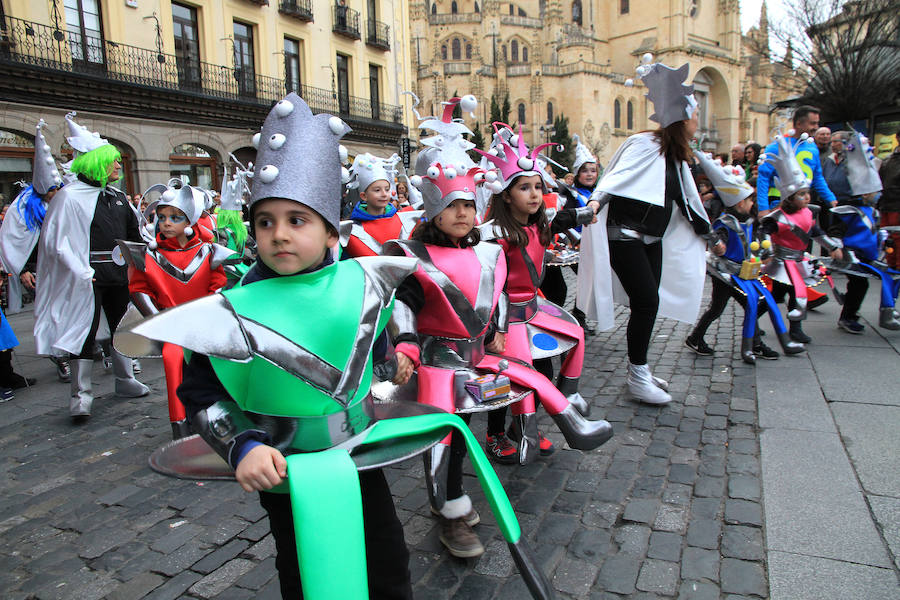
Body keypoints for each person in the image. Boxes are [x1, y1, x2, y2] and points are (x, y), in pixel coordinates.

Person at [126, 94, 419, 599]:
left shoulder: (360, 284)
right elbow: (201, 392)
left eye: (297, 220)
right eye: (266, 222)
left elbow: (371, 333)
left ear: (331, 232)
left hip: (357, 451)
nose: (279, 234)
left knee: (386, 560)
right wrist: (242, 445)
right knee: (306, 567)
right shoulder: (231, 310)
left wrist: (390, 357)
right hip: (282, 462)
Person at [388, 156, 611, 558]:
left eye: (468, 205)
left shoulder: (486, 253)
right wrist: (405, 344)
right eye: (452, 206)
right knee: (449, 434)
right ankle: (449, 509)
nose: (462, 213)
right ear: (434, 212)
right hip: (438, 362)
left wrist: (498, 330)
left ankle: (571, 421)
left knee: (529, 377)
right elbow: (403, 302)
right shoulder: (415, 257)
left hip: (477, 356)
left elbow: (499, 293)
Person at [578, 57, 711, 405]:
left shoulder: (676, 154)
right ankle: (637, 375)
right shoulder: (643, 144)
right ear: (682, 117)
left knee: (646, 305)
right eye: (694, 113)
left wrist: (709, 231)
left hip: (653, 238)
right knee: (647, 300)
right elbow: (614, 180)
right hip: (625, 235)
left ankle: (642, 368)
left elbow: (684, 199)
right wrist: (593, 205)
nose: (698, 120)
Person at [476, 124, 608, 463]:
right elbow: (487, 280)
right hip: (505, 318)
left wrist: (589, 210)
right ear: (506, 194)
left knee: (569, 343)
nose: (534, 194)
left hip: (535, 309)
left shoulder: (540, 222)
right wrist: (496, 329)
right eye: (524, 188)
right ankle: (498, 434)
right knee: (507, 378)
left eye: (538, 186)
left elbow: (564, 217)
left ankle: (566, 398)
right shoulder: (494, 235)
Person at [34, 112, 149, 420]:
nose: (117, 166)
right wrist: (82, 272)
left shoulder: (118, 198)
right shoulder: (69, 198)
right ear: (96, 161)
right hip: (85, 279)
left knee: (122, 327)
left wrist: (140, 266)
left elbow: (133, 237)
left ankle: (126, 380)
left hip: (119, 275)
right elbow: (57, 244)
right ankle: (80, 395)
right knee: (82, 334)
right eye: (112, 160)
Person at [118, 183, 232, 438]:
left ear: (189, 219)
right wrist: (157, 319)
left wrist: (207, 310)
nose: (167, 223)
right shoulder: (149, 256)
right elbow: (139, 289)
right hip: (171, 326)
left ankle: (218, 419)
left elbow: (219, 285)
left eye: (175, 217)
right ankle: (180, 426)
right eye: (161, 218)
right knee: (173, 363)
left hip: (204, 325)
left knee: (216, 368)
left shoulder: (208, 252)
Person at [685, 151, 805, 363]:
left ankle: (699, 337)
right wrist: (717, 244)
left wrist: (762, 254)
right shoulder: (725, 222)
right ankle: (752, 343)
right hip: (726, 273)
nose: (753, 203)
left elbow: (753, 244)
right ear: (740, 203)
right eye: (750, 200)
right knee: (732, 306)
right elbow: (718, 243)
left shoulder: (748, 221)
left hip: (744, 272)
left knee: (730, 306)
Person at [759, 133, 844, 344]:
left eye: (807, 194)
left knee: (798, 295)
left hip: (798, 262)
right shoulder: (778, 216)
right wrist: (767, 253)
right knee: (776, 297)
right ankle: (751, 320)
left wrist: (832, 247)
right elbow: (764, 233)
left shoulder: (808, 214)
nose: (806, 198)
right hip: (781, 263)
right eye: (801, 195)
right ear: (789, 196)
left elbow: (816, 233)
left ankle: (795, 329)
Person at [0, 119, 68, 381]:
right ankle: (60, 356)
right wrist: (24, 270)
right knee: (52, 313)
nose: (56, 193)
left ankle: (75, 350)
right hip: (40, 269)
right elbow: (21, 241)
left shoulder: (60, 202)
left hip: (61, 265)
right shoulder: (24, 210)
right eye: (52, 190)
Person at [826, 128, 900, 332]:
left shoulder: (871, 210)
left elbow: (877, 231)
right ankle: (847, 316)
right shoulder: (849, 210)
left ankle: (887, 311)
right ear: (864, 192)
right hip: (853, 255)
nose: (877, 195)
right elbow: (836, 230)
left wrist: (885, 240)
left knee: (888, 276)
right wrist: (836, 245)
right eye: (874, 192)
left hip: (868, 256)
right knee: (860, 285)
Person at [553, 134, 599, 333]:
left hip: (594, 246)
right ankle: (566, 319)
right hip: (575, 247)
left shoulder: (599, 194)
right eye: (585, 171)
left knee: (589, 283)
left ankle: (578, 317)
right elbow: (564, 219)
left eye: (593, 171)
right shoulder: (572, 195)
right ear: (577, 174)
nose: (589, 174)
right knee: (575, 284)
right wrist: (574, 240)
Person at [756, 106, 835, 216]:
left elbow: (817, 177)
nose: (816, 127)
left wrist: (831, 198)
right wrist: (763, 208)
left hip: (803, 203)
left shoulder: (812, 147)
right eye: (812, 123)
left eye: (817, 123)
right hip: (778, 203)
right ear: (798, 124)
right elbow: (763, 178)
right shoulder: (777, 146)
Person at [343, 153, 421, 258]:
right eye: (377, 190)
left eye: (387, 189)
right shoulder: (350, 229)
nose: (384, 194)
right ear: (364, 196)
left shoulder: (404, 220)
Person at [879, 128, 900, 270]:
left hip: (897, 205)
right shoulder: (888, 160)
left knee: (898, 239)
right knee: (887, 238)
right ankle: (892, 266)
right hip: (886, 205)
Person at [822, 131, 853, 203]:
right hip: (830, 201)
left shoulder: (852, 160)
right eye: (831, 142)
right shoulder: (829, 160)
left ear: (845, 142)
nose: (832, 145)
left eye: (835, 142)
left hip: (848, 202)